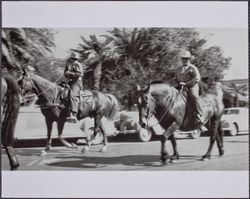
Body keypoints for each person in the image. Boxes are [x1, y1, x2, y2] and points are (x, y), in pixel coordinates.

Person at [175, 50, 204, 125]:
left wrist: (186, 84)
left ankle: (199, 115)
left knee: (194, 97)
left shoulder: (193, 68)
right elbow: (175, 78)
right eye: (183, 59)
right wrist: (177, 83)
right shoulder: (178, 69)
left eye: (186, 58)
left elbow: (197, 78)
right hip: (180, 86)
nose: (185, 60)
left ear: (189, 59)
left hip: (192, 86)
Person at [64, 52, 83, 123]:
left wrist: (71, 73)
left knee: (72, 95)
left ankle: (74, 114)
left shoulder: (78, 64)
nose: (74, 60)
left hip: (76, 83)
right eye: (72, 59)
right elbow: (65, 72)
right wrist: (66, 74)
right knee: (59, 91)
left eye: (75, 59)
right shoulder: (68, 64)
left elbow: (80, 74)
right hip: (69, 82)